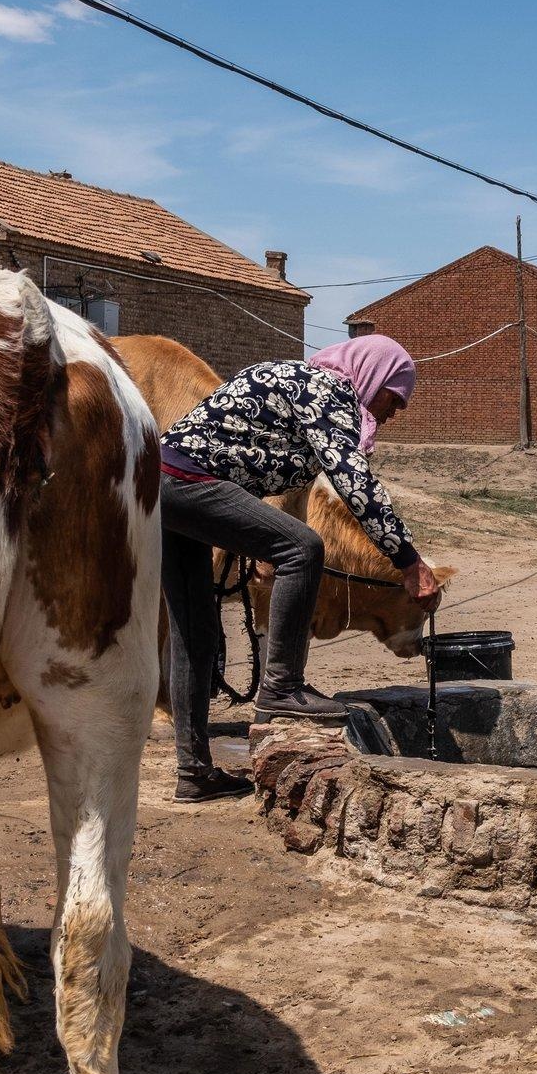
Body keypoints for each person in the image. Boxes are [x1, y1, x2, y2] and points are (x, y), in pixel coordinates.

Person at [159, 335, 443, 802]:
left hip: (163, 483)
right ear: (372, 375)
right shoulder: (326, 391)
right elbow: (355, 484)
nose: (396, 411)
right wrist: (409, 562)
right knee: (304, 548)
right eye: (394, 396)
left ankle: (194, 773)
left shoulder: (301, 383)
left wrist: (249, 537)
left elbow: (236, 448)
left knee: (195, 630)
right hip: (189, 482)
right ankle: (282, 687)